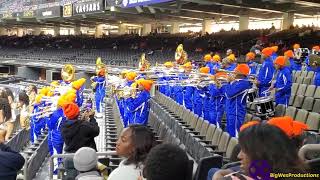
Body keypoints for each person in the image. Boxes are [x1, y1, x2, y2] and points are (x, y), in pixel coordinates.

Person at [224, 64, 252, 137]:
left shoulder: (243, 83)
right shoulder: (238, 82)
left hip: (237, 111)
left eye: (236, 71)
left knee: (235, 135)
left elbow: (229, 94)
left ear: (241, 73)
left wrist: (228, 82)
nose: (233, 72)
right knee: (230, 134)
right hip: (232, 110)